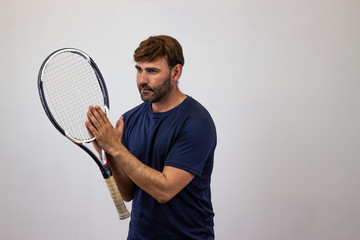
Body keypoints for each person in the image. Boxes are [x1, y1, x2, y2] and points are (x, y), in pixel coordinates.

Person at [85, 35, 217, 240]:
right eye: (139, 69)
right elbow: (128, 193)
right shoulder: (130, 119)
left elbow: (164, 191)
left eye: (152, 71)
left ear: (176, 72)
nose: (142, 80)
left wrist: (116, 147)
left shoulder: (196, 122)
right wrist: (107, 150)